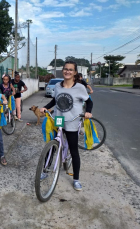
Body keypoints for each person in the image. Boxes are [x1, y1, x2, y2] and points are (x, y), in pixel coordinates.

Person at [39, 61, 93, 191]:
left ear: (74, 72)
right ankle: (45, 171)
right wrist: (45, 108)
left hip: (72, 121)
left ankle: (76, 179)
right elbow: (54, 100)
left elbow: (89, 102)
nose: (67, 71)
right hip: (58, 119)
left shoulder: (79, 87)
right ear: (62, 71)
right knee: (52, 146)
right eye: (65, 69)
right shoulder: (57, 86)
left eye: (70, 69)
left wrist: (88, 112)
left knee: (74, 151)